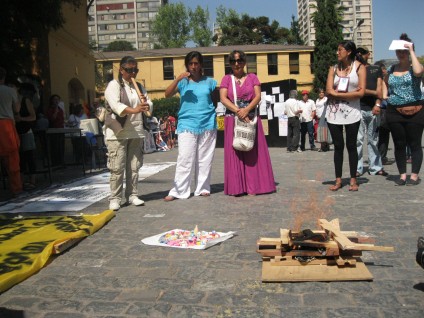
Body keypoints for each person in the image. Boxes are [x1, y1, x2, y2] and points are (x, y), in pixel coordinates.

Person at [220, 50, 276, 196]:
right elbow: (223, 99)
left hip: (250, 117)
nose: (236, 64)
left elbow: (257, 96)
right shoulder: (226, 79)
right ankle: (237, 187)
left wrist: (247, 110)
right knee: (236, 151)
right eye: (233, 61)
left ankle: (255, 186)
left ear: (244, 62)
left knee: (252, 150)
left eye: (239, 61)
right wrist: (239, 111)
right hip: (233, 118)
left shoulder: (253, 77)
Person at [163, 51, 217, 201]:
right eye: (190, 63)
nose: (193, 66)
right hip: (187, 124)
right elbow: (167, 94)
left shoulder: (210, 82)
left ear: (201, 65)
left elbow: (215, 101)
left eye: (196, 63)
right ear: (187, 65)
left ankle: (203, 188)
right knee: (185, 158)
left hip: (207, 123)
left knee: (205, 159)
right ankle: (178, 191)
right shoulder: (182, 82)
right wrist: (178, 79)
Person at [104, 56, 152, 210]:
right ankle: (115, 198)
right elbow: (115, 105)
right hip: (118, 131)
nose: (133, 73)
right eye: (129, 70)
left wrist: (146, 105)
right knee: (117, 167)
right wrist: (136, 109)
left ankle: (132, 195)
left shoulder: (139, 86)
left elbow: (149, 103)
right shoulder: (114, 85)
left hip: (136, 131)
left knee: (134, 166)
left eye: (135, 70)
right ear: (122, 70)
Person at [325, 40, 366, 191]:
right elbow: (329, 90)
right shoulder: (333, 68)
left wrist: (340, 95)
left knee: (351, 145)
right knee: (338, 146)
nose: (337, 52)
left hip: (352, 113)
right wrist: (348, 94)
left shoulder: (359, 67)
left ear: (348, 52)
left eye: (340, 50)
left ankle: (353, 180)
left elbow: (361, 92)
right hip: (334, 113)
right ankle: (338, 180)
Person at [385, 33, 424, 186]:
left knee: (414, 143)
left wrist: (412, 51)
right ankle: (402, 174)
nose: (400, 53)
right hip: (395, 111)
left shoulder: (415, 65)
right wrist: (384, 96)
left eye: (403, 50)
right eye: (398, 50)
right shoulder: (391, 68)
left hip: (415, 109)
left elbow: (418, 72)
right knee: (399, 143)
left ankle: (414, 175)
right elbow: (386, 84)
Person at [355, 46, 388, 177]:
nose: (359, 55)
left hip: (373, 107)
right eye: (357, 53)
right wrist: (371, 92)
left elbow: (379, 89)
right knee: (358, 140)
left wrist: (378, 104)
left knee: (373, 139)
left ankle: (375, 166)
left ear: (367, 55)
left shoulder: (375, 69)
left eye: (361, 53)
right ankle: (357, 168)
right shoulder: (354, 69)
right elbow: (355, 89)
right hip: (358, 108)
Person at [0, 67, 22, 196]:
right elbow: (17, 109)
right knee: (12, 158)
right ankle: (16, 189)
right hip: (6, 123)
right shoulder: (10, 90)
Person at [15, 83, 37, 190]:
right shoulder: (11, 102)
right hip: (16, 132)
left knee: (29, 156)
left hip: (27, 131)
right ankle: (21, 182)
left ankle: (32, 181)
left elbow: (33, 116)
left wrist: (22, 119)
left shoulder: (25, 100)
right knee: (20, 158)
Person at [374, 61, 391, 165]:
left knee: (384, 134)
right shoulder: (379, 81)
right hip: (382, 109)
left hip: (388, 109)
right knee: (382, 133)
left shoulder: (388, 80)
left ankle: (382, 156)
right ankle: (381, 156)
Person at [46, 94, 65, 166]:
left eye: (58, 99)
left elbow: (62, 119)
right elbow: (52, 119)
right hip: (53, 130)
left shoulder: (60, 109)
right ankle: (55, 163)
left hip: (61, 130)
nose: (56, 101)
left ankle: (61, 162)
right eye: (55, 99)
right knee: (55, 147)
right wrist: (56, 111)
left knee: (61, 147)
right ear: (52, 101)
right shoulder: (50, 109)